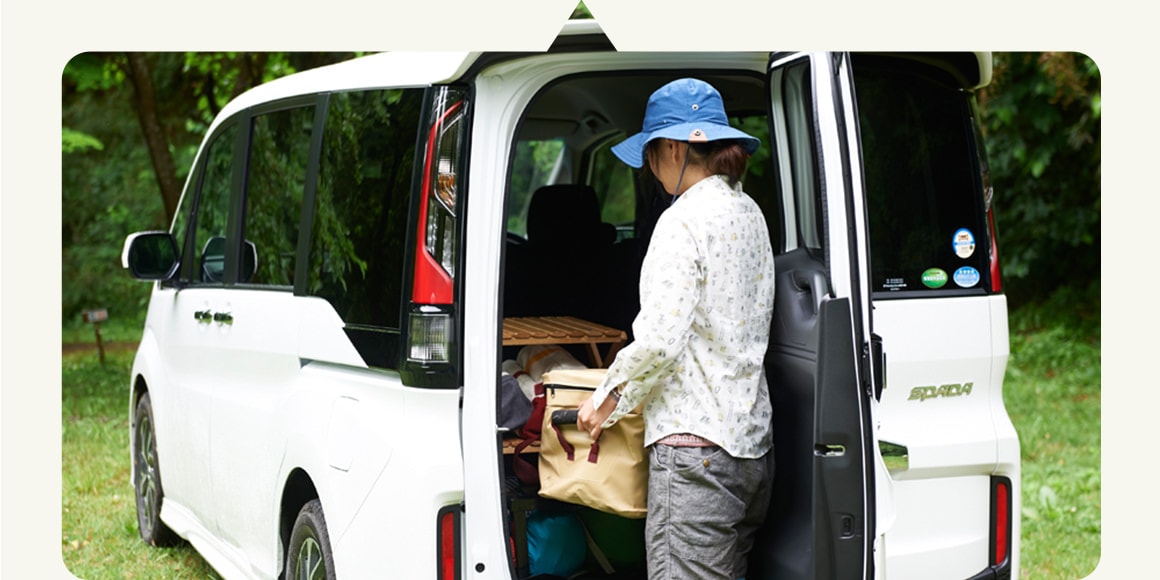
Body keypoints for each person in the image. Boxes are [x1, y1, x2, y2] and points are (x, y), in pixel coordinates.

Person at [576, 78, 776, 579]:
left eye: (649, 153)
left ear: (673, 148)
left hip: (695, 456)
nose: (649, 168)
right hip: (752, 450)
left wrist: (604, 400)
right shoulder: (750, 212)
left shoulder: (681, 222)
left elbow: (661, 339)